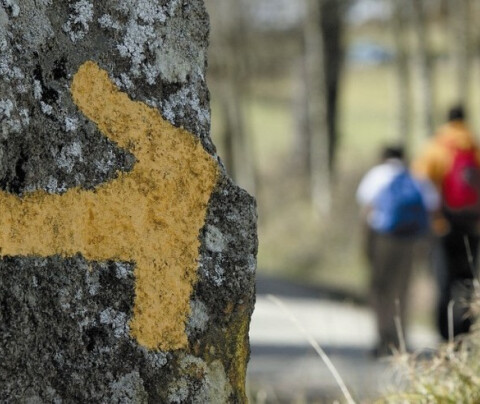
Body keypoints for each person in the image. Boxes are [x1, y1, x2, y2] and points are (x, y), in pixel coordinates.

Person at [357, 145, 439, 356]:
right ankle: (399, 340)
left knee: (379, 289)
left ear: (384, 157)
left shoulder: (376, 175)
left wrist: (366, 248)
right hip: (410, 241)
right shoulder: (416, 177)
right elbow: (432, 207)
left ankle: (382, 339)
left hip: (383, 239)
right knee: (401, 290)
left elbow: (366, 212)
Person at [412, 105, 480, 341]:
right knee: (467, 281)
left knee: (444, 283)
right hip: (473, 225)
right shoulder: (474, 146)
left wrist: (432, 220)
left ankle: (444, 336)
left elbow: (420, 186)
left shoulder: (436, 147)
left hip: (443, 225)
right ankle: (465, 334)